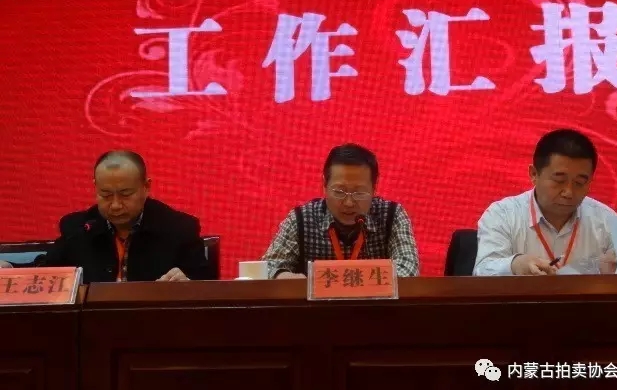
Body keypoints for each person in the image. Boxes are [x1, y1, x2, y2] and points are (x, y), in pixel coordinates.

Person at [0, 151, 213, 282]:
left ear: (146, 187)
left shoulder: (179, 228)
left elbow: (207, 285)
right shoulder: (78, 228)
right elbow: (49, 272)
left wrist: (186, 283)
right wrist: (10, 270)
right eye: (106, 195)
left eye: (125, 194)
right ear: (95, 187)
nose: (116, 205)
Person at [262, 143, 420, 279]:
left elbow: (409, 269)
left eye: (359, 193)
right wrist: (282, 276)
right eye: (339, 191)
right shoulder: (301, 219)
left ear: (374, 188)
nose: (349, 203)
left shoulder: (391, 215)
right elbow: (267, 267)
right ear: (324, 185)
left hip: (375, 305)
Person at [473, 129, 617, 276]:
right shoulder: (502, 215)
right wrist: (514, 265)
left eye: (579, 183)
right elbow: (481, 272)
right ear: (534, 174)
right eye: (559, 180)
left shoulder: (606, 220)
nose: (568, 192)